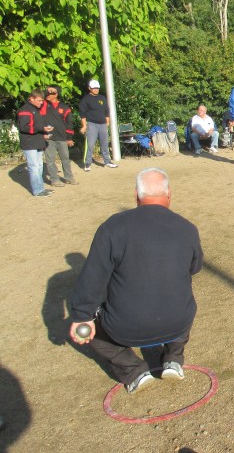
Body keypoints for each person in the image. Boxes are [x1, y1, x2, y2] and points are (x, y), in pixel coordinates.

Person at [68, 168, 203, 393]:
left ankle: (133, 370)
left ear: (136, 194)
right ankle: (173, 358)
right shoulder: (187, 228)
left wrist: (82, 316)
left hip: (125, 327)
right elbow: (194, 268)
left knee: (89, 329)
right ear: (169, 194)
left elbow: (93, 276)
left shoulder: (112, 228)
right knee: (184, 303)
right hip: (178, 321)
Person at [17, 89, 54, 197]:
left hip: (37, 141)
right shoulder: (25, 110)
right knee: (33, 167)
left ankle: (40, 187)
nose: (41, 103)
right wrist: (42, 129)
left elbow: (37, 125)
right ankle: (37, 190)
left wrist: (44, 132)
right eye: (39, 100)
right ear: (31, 99)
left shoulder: (36, 109)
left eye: (42, 101)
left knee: (39, 165)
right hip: (29, 142)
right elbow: (24, 127)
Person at [42, 85, 78, 186]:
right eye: (47, 93)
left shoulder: (64, 107)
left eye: (51, 93)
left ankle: (69, 178)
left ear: (56, 94)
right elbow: (37, 96)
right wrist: (47, 90)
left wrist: (69, 138)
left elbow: (69, 123)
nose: (48, 95)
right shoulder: (44, 105)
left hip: (62, 138)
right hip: (49, 138)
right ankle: (54, 180)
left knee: (65, 159)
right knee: (50, 160)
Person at [79, 79, 117, 171]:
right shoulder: (85, 99)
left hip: (102, 124)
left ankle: (107, 161)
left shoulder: (102, 98)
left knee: (104, 144)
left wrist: (107, 122)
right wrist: (84, 126)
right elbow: (82, 114)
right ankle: (87, 163)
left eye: (97, 88)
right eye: (94, 88)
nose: (96, 90)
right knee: (90, 145)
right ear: (90, 88)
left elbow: (106, 110)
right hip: (91, 124)